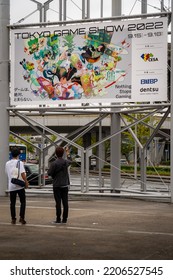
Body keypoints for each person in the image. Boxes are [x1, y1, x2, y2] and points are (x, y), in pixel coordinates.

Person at [48, 146, 72, 224]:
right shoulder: (66, 162)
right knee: (65, 203)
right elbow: (70, 160)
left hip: (57, 185)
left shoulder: (54, 163)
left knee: (58, 203)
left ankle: (58, 219)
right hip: (65, 185)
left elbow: (49, 173)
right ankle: (64, 219)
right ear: (63, 153)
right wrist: (68, 153)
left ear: (56, 154)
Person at [5, 147, 29, 224]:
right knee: (23, 202)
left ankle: (13, 219)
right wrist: (26, 182)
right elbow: (22, 174)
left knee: (12, 203)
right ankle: (22, 217)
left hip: (11, 186)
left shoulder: (7, 163)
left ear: (11, 154)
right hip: (19, 185)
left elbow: (7, 173)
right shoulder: (20, 162)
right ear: (18, 154)